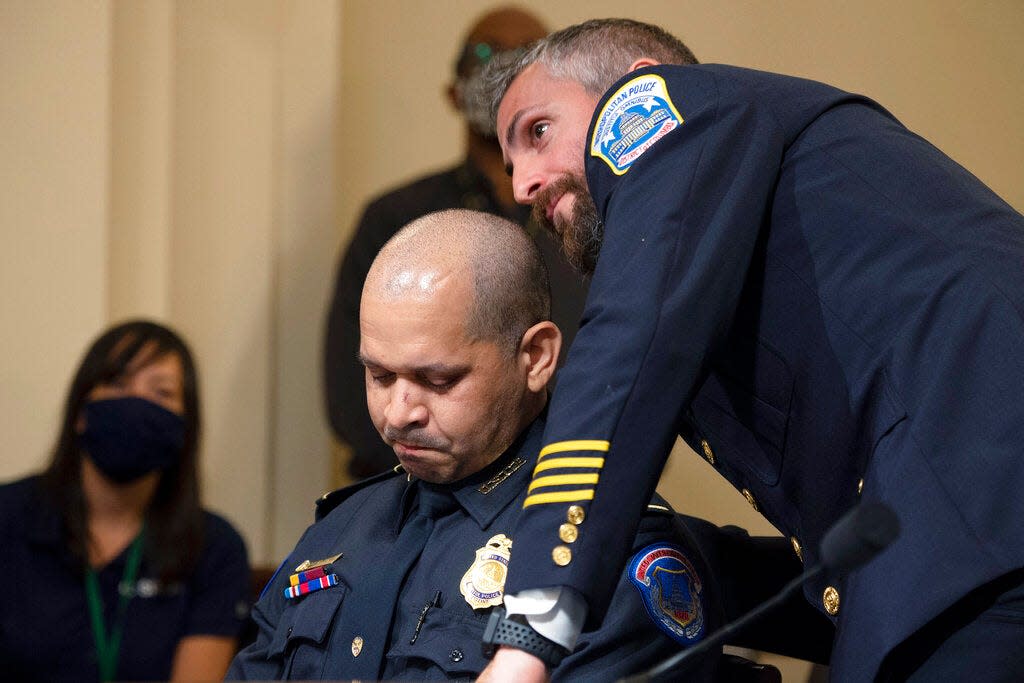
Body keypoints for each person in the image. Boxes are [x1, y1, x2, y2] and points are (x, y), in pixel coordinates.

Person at [472, 17, 1024, 682]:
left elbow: (624, 348)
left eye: (538, 132)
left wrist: (528, 635)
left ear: (642, 80)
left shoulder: (655, 107)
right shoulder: (729, 254)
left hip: (981, 509)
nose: (523, 185)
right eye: (509, 164)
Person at [230, 209, 828, 681]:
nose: (398, 412)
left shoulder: (604, 552)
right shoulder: (340, 529)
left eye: (438, 380)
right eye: (379, 376)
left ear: (535, 357)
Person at [323, 6, 589, 479]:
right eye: (483, 54)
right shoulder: (395, 216)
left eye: (528, 55)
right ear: (451, 92)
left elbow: (636, 374)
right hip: (409, 494)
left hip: (566, 489)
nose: (503, 67)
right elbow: (349, 387)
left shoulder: (589, 217)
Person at [0, 320, 251, 682]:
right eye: (117, 384)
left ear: (184, 424)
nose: (136, 402)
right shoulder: (9, 517)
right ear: (81, 412)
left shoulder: (214, 547)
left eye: (161, 393)